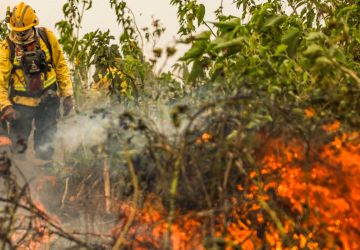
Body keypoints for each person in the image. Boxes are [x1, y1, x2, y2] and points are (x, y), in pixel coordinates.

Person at [0, 2, 74, 160]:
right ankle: (20, 179)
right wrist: (5, 106)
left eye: (24, 31)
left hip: (48, 102)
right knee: (18, 150)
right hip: (21, 107)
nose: (20, 35)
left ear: (33, 25)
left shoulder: (46, 37)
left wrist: (67, 94)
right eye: (17, 31)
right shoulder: (7, 48)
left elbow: (61, 65)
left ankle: (47, 178)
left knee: (45, 148)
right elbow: (0, 82)